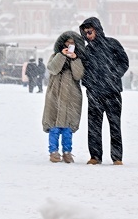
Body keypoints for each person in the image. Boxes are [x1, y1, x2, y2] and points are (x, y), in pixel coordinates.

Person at [79, 16, 129, 165]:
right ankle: (95, 156)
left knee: (115, 126)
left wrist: (114, 75)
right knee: (93, 127)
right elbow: (83, 69)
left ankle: (117, 157)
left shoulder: (112, 44)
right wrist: (88, 84)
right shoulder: (87, 51)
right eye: (86, 33)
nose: (88, 35)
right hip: (94, 94)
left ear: (97, 30)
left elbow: (124, 62)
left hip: (112, 93)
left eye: (90, 31)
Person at [43, 31, 85, 164]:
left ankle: (67, 152)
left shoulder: (78, 59)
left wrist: (74, 59)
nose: (70, 45)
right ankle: (53, 152)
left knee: (67, 128)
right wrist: (62, 55)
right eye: (68, 42)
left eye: (73, 43)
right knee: (54, 126)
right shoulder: (55, 56)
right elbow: (53, 69)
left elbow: (78, 75)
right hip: (55, 94)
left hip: (71, 96)